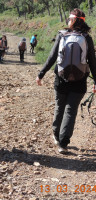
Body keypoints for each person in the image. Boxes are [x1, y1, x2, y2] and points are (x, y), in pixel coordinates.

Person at [36, 8, 96, 154]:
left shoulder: (62, 35)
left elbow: (51, 57)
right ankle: (63, 144)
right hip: (80, 80)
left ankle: (56, 135)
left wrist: (41, 74)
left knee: (59, 106)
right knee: (71, 110)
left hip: (61, 79)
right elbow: (93, 62)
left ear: (71, 20)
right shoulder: (86, 38)